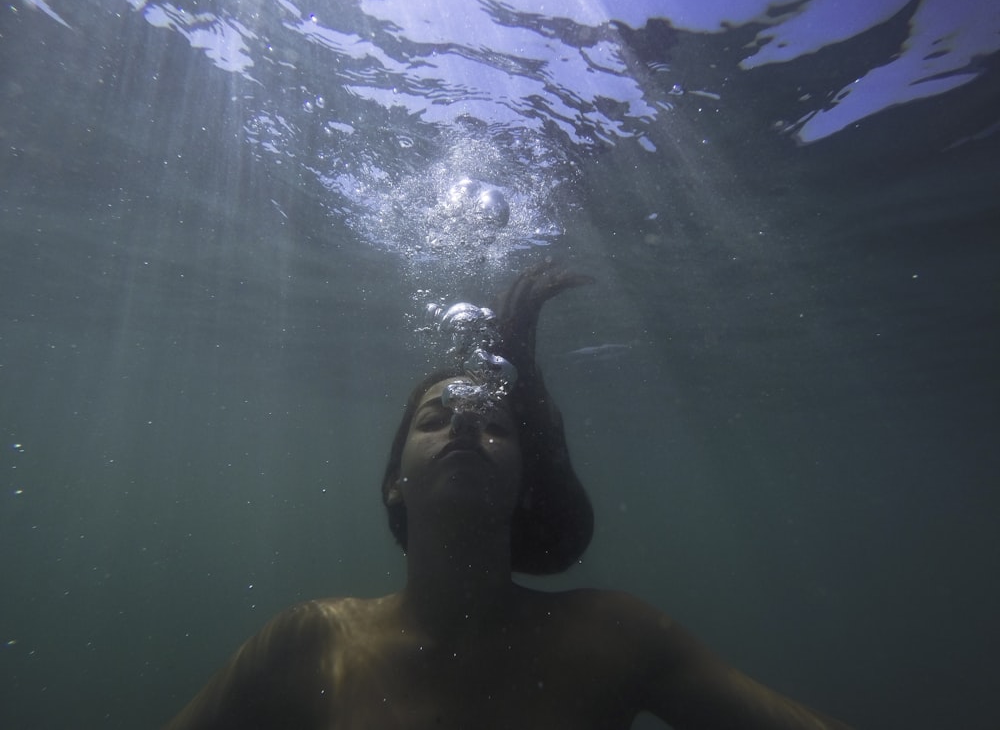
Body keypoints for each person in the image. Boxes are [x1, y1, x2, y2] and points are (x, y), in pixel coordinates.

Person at [163, 262, 854, 730]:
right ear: (393, 482)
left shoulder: (616, 634)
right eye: (435, 419)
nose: (464, 421)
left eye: (494, 426)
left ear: (527, 485)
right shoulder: (304, 641)